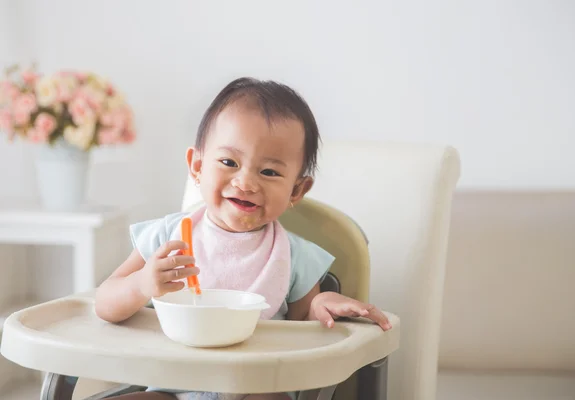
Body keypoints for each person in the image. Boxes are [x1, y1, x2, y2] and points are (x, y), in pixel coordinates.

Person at [94, 77, 390, 400]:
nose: (246, 182)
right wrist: (140, 284)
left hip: (258, 388)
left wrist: (320, 305)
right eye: (229, 162)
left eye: (270, 172)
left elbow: (304, 331)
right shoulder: (168, 236)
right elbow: (103, 302)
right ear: (197, 166)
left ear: (296, 190)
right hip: (172, 387)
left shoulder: (293, 256)